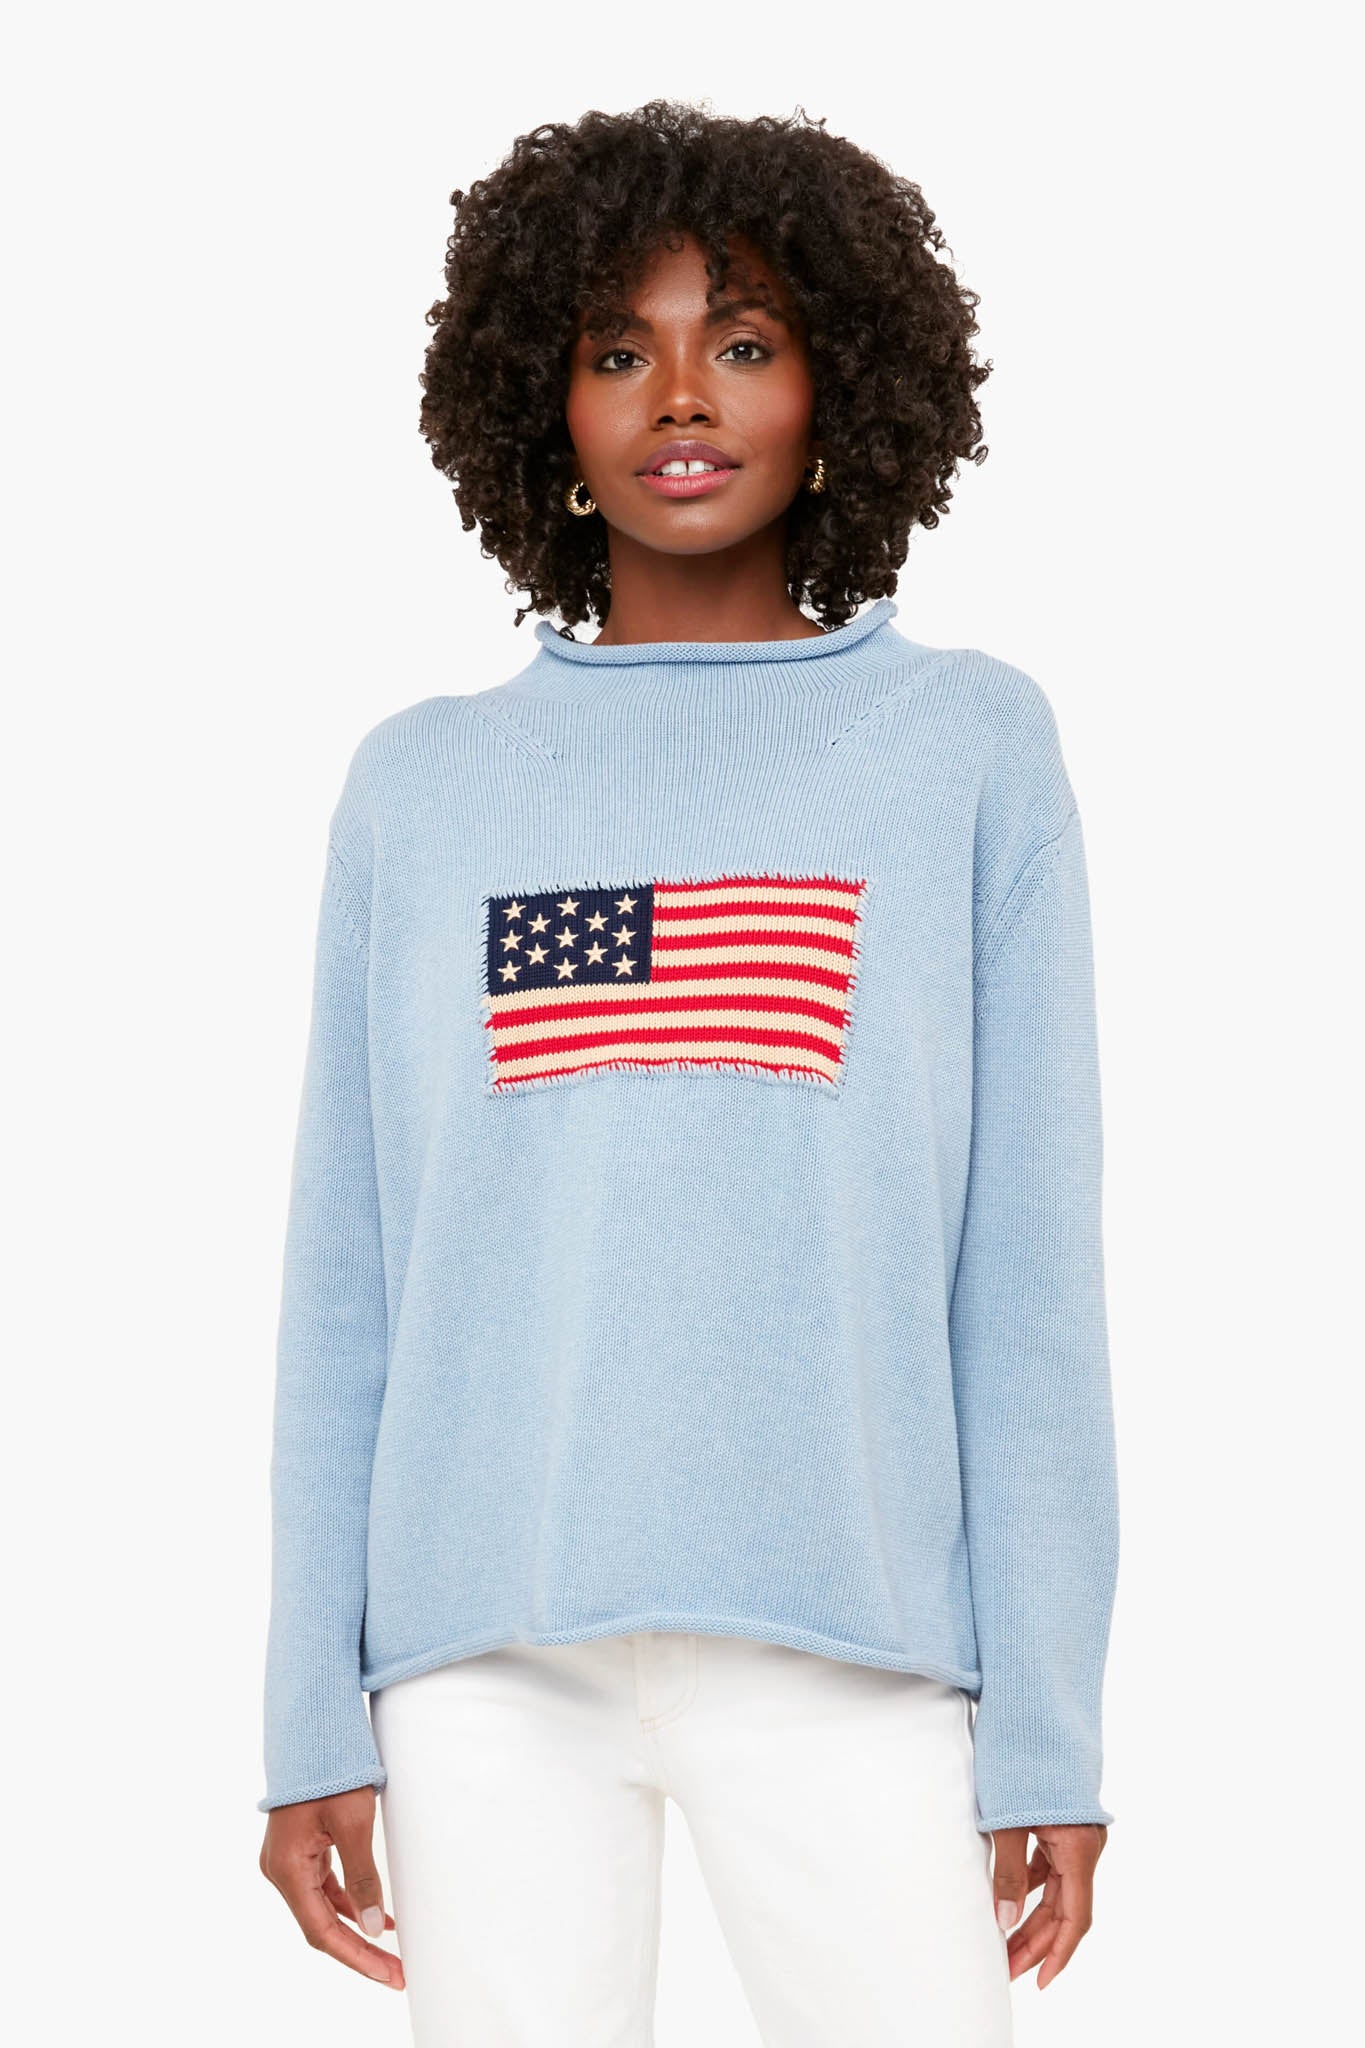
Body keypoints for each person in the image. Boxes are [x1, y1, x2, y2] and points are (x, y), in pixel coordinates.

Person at [257, 98, 1120, 2047]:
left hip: (851, 1646)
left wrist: (1047, 1725)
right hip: (482, 1654)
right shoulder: (421, 785)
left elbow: (1025, 1284)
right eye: (613, 348)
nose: (679, 396)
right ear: (536, 404)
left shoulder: (963, 747)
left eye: (740, 341)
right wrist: (312, 1708)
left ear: (840, 388)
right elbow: (347, 1280)